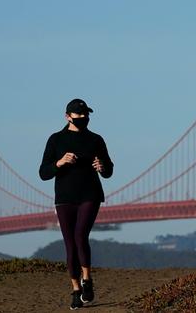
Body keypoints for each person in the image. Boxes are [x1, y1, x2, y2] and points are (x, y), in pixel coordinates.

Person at [39, 98, 114, 310]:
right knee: (70, 244)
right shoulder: (55, 140)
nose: (83, 119)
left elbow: (108, 169)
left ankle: (87, 280)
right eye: (79, 116)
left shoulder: (96, 139)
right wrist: (59, 163)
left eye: (86, 116)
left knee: (80, 235)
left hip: (90, 194)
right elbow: (43, 172)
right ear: (67, 117)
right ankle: (75, 289)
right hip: (64, 198)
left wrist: (103, 166)